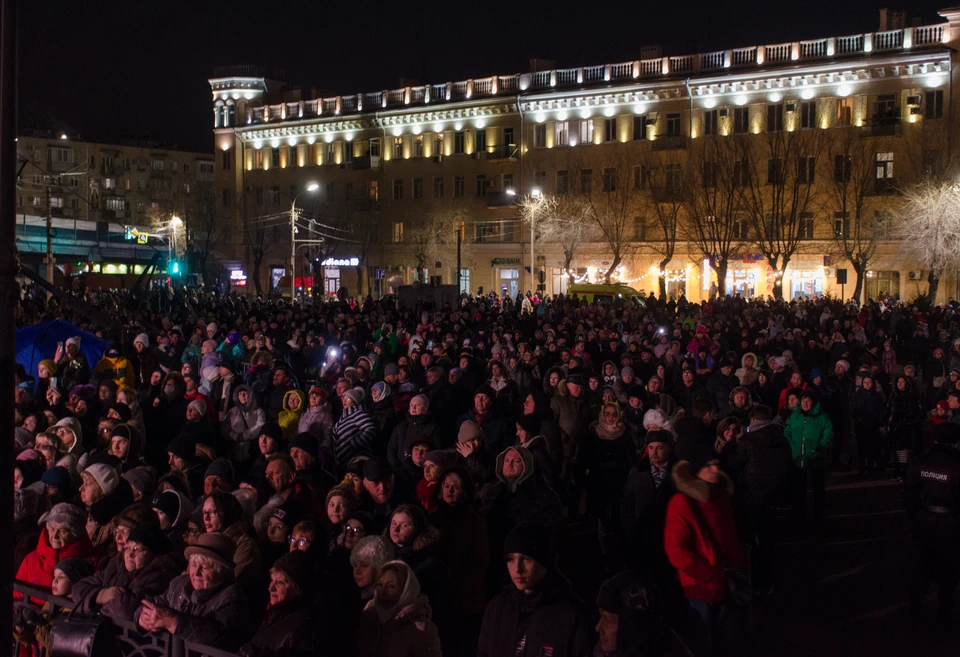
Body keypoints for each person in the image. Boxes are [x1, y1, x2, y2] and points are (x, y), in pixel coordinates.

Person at [664, 445, 743, 657]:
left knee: (723, 640)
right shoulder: (682, 502)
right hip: (700, 587)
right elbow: (675, 548)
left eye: (716, 464)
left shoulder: (720, 495)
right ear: (696, 470)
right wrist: (706, 573)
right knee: (703, 641)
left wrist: (735, 564)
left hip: (724, 581)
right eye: (709, 465)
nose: (716, 470)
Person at [477, 521, 590, 657]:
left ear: (543, 561)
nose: (517, 569)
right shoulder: (497, 608)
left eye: (525, 558)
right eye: (510, 559)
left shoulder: (572, 614)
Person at [136, 533, 253, 650]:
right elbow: (156, 603)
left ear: (222, 572)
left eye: (205, 567)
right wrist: (142, 616)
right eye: (194, 564)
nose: (196, 572)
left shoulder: (232, 597)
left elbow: (222, 638)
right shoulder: (180, 583)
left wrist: (175, 622)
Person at [904, 422, 960, 628]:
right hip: (951, 525)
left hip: (924, 521)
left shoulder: (920, 461)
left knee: (922, 567)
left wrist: (917, 516)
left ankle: (915, 612)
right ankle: (943, 617)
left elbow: (909, 494)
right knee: (948, 572)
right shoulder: (956, 465)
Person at [242, 550, 326, 657]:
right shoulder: (274, 615)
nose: (271, 588)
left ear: (298, 589)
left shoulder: (304, 627)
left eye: (280, 583)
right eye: (272, 580)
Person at [354, 561, 442, 657]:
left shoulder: (422, 629)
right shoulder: (369, 617)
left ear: (405, 592)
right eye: (380, 584)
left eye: (391, 586)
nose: (383, 592)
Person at [783, 390, 834, 526]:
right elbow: (787, 431)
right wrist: (791, 444)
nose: (805, 403)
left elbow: (828, 433)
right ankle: (799, 515)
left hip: (816, 457)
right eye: (803, 400)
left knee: (818, 488)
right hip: (798, 457)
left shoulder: (823, 417)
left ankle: (819, 516)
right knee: (799, 489)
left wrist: (821, 446)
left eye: (808, 401)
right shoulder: (795, 416)